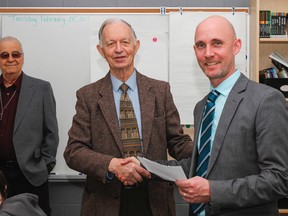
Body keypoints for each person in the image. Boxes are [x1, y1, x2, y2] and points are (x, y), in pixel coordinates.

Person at [127, 15, 288, 216]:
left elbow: (279, 179)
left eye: (217, 43)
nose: (208, 53)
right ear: (195, 51)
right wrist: (143, 165)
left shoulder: (265, 100)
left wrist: (213, 191)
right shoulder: (202, 106)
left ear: (236, 46)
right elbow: (198, 165)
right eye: (201, 45)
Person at [64, 18, 193, 216]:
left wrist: (206, 153)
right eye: (111, 43)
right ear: (101, 50)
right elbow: (74, 151)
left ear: (136, 46)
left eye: (124, 42)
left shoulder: (160, 91)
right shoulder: (87, 96)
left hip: (154, 201)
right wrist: (112, 165)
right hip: (105, 201)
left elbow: (177, 141)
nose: (118, 49)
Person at [0, 36, 59, 216]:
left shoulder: (41, 89)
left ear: (22, 58)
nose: (11, 59)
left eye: (15, 54)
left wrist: (44, 167)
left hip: (31, 176)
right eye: (4, 55)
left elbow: (51, 134)